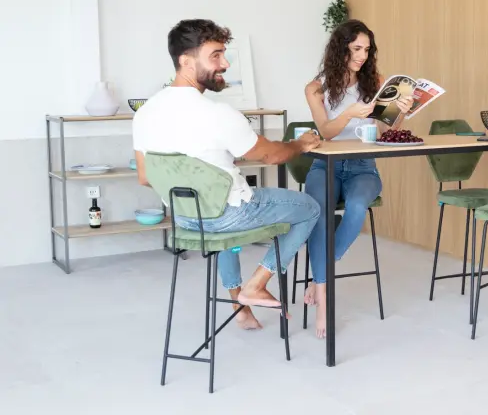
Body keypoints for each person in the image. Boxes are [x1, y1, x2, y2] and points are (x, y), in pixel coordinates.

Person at [132, 19, 322, 330]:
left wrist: (198, 180)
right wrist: (301, 143)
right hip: (226, 214)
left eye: (225, 54)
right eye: (216, 55)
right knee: (310, 207)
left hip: (184, 218)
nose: (226, 63)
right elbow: (273, 155)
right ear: (186, 61)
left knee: (221, 225)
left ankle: (241, 310)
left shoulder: (146, 112)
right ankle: (256, 284)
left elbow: (144, 176)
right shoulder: (217, 113)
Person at [303, 19, 413, 338]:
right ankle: (324, 302)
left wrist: (401, 109)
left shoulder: (376, 81)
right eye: (356, 49)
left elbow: (386, 127)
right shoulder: (317, 87)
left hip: (363, 165)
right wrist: (349, 113)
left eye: (366, 49)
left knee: (356, 207)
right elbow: (325, 131)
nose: (363, 55)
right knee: (320, 215)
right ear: (341, 48)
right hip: (325, 163)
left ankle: (320, 276)